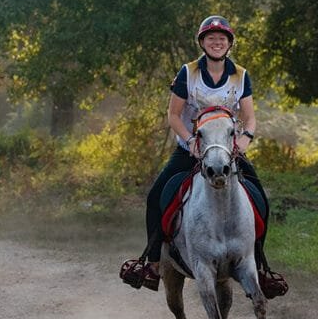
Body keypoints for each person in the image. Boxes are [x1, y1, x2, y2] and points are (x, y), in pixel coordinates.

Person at [120, 15, 288, 298]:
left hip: (227, 151)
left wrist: (245, 139)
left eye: (222, 38)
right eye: (211, 38)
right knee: (156, 196)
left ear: (229, 43)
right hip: (193, 149)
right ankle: (152, 263)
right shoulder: (188, 73)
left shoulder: (240, 75)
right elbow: (174, 115)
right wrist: (189, 142)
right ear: (202, 42)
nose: (216, 42)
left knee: (260, 199)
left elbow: (249, 117)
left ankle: (260, 267)